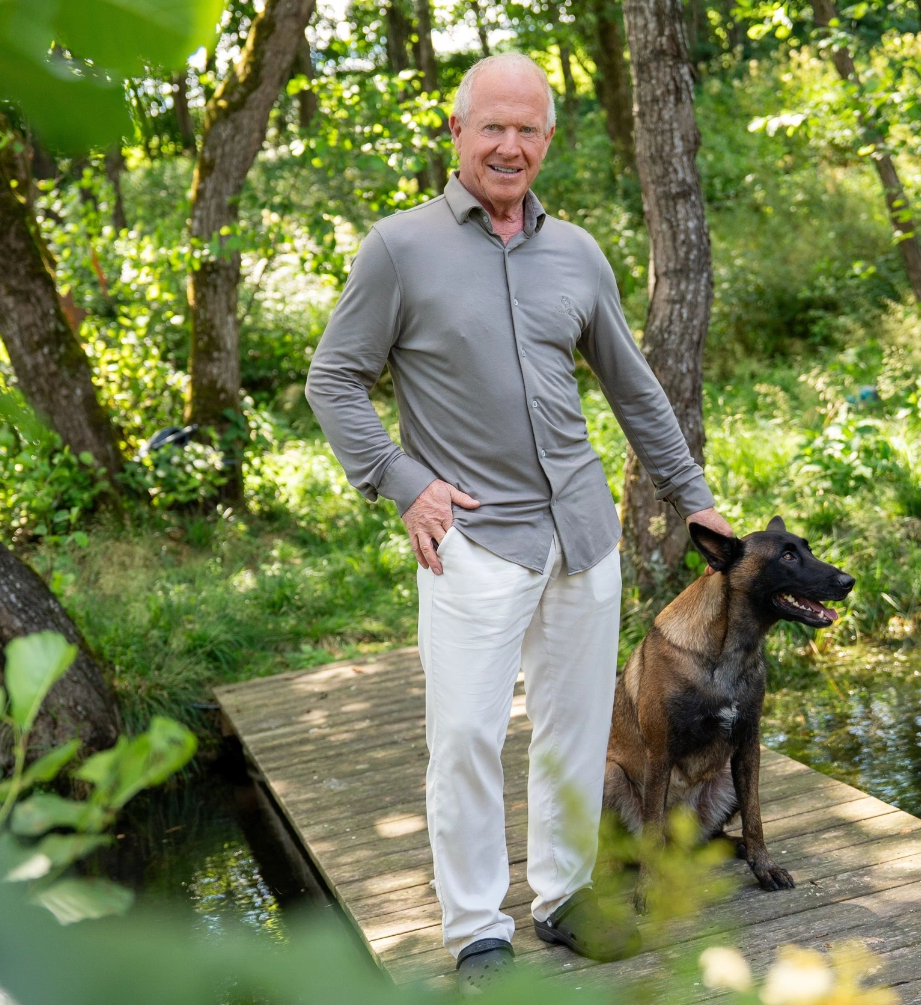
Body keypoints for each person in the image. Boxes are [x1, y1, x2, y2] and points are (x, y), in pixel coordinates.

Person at [305, 52, 731, 988]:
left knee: (574, 730)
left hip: (582, 532)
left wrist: (692, 495)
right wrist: (401, 481)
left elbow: (633, 386)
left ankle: (564, 896)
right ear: (456, 132)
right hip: (474, 539)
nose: (509, 145)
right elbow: (332, 378)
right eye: (491, 126)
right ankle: (475, 932)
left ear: (547, 139)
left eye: (526, 129)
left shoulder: (576, 253)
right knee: (464, 736)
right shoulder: (399, 249)